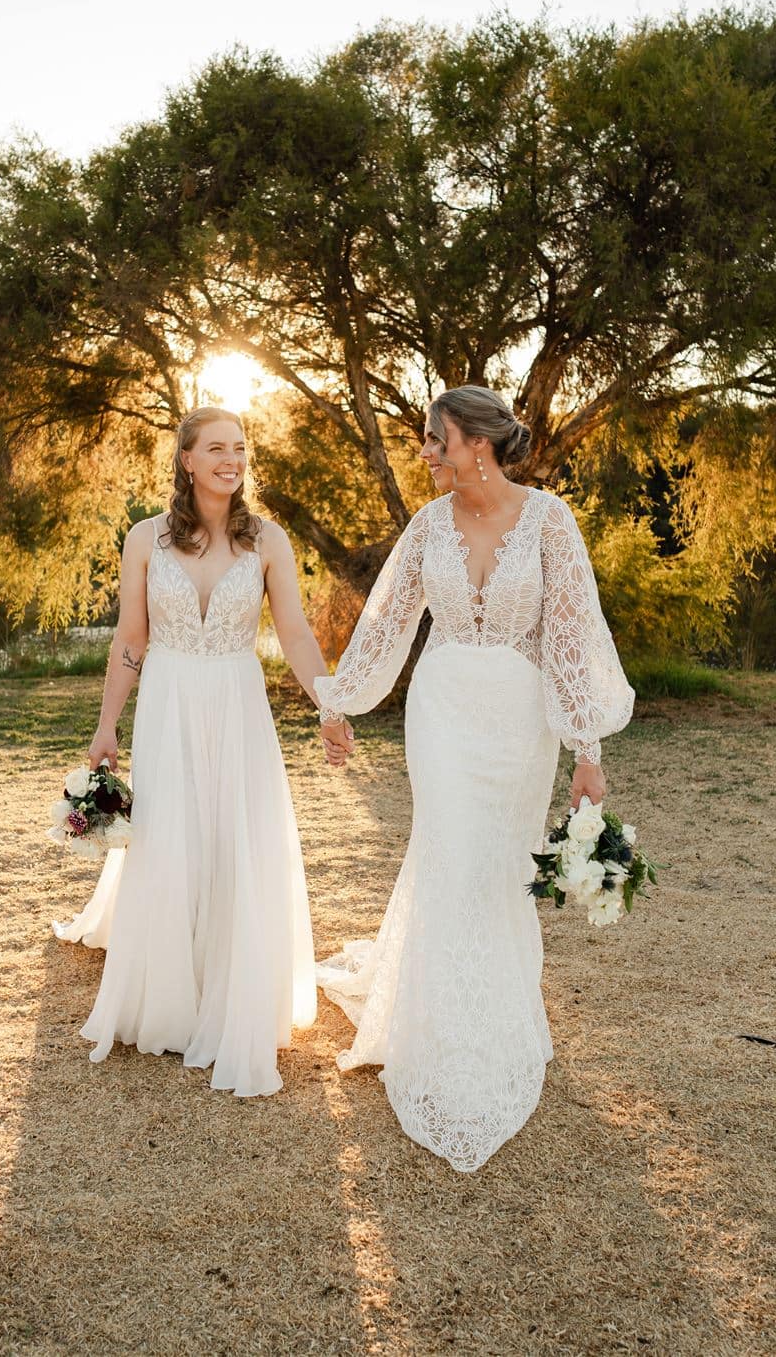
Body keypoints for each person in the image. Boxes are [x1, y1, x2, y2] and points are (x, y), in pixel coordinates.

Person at [315, 385, 634, 1169]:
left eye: (436, 438)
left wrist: (585, 750)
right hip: (445, 711)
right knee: (451, 856)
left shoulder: (552, 521)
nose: (426, 452)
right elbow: (386, 624)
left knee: (499, 870)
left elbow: (566, 639)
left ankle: (498, 1021)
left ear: (477, 443)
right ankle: (438, 1033)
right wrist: (339, 701)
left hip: (520, 723)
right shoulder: (426, 526)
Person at [53, 406, 332, 1098]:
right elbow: (131, 638)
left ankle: (233, 986)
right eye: (216, 448)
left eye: (239, 448)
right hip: (171, 701)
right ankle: (171, 998)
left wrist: (329, 700)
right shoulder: (146, 539)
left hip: (239, 703)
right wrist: (106, 723)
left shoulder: (268, 540)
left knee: (236, 837)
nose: (231, 459)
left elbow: (294, 632)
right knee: (174, 839)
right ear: (186, 459)